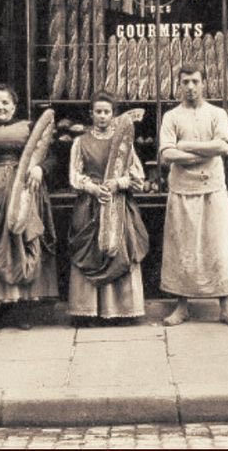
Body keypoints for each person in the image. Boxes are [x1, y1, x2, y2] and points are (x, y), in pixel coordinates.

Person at [0, 84, 58, 331]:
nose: (0, 107)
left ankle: (21, 309)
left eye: (5, 103)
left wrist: (41, 168)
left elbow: (50, 154)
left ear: (14, 106)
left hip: (26, 193)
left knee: (24, 246)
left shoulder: (29, 128)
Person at [159, 64, 228, 328]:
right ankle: (181, 307)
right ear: (179, 85)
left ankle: (225, 308)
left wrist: (186, 147)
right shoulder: (171, 117)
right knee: (182, 249)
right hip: (182, 191)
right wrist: (204, 154)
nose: (191, 87)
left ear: (204, 82)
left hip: (213, 190)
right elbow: (166, 154)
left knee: (219, 247)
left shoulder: (216, 113)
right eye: (185, 82)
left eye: (195, 81)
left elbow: (224, 145)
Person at [68, 91, 148, 326]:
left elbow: (138, 177)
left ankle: (122, 310)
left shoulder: (123, 143)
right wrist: (93, 188)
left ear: (113, 115)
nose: (102, 116)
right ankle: (88, 312)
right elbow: (74, 175)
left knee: (121, 251)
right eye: (98, 112)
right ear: (91, 114)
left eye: (107, 112)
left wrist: (117, 184)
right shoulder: (80, 142)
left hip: (119, 204)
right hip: (90, 204)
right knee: (89, 252)